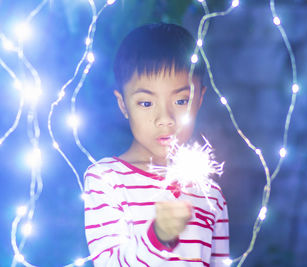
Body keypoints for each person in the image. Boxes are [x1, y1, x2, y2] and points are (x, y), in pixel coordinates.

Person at [84, 23, 229, 266]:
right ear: (123, 105)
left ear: (200, 99)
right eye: (146, 103)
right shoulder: (106, 180)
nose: (165, 119)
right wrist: (158, 237)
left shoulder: (211, 196)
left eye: (181, 100)